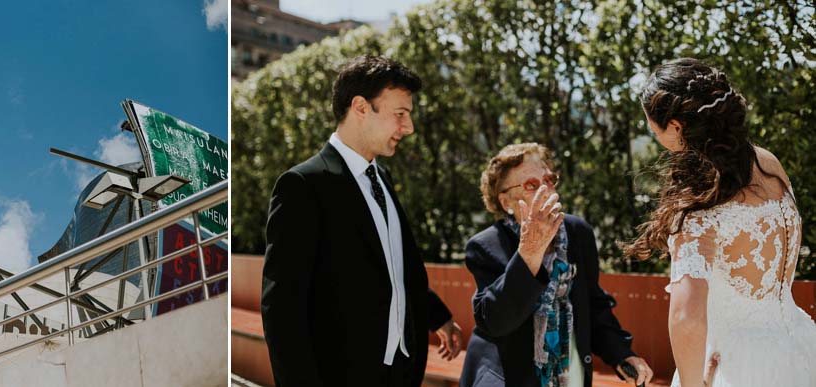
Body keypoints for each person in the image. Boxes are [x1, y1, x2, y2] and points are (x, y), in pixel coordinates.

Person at [261, 55, 462, 387]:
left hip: (402, 371)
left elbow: (398, 267)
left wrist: (439, 317)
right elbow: (282, 309)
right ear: (360, 107)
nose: (408, 127)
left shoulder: (382, 178)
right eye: (400, 114)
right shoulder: (303, 185)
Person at [627, 57, 816, 387]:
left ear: (674, 126)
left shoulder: (699, 199)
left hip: (737, 366)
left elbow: (687, 316)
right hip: (800, 345)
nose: (652, 133)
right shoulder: (767, 162)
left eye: (651, 126)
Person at [460, 143, 652, 387]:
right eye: (531, 185)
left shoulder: (577, 233)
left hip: (569, 377)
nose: (546, 190)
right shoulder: (485, 246)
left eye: (549, 180)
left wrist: (622, 354)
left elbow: (592, 305)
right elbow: (495, 321)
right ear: (506, 200)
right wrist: (530, 252)